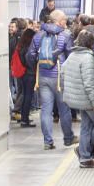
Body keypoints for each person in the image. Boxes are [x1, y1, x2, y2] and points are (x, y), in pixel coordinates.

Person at [28, 9, 75, 151]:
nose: (66, 24)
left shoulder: (38, 35)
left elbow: (30, 55)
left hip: (42, 76)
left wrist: (37, 66)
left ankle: (48, 142)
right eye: (65, 21)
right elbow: (71, 56)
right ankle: (68, 138)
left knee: (46, 110)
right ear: (60, 21)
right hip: (60, 77)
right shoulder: (66, 35)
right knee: (64, 109)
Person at [61, 30, 94, 168]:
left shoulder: (72, 55)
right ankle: (83, 151)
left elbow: (63, 73)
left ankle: (85, 158)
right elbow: (90, 84)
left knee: (86, 127)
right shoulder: (88, 58)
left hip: (80, 100)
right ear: (92, 43)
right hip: (89, 101)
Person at [14, 28, 37, 128]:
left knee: (24, 95)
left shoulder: (20, 46)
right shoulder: (29, 48)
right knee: (28, 96)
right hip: (29, 74)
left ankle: (23, 117)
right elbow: (30, 61)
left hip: (23, 74)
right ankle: (25, 119)